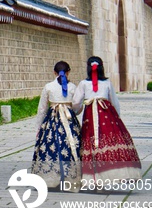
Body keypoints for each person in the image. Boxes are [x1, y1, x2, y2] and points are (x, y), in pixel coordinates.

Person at [73, 56, 142, 185]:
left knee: (92, 141)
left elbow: (76, 102)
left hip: (90, 116)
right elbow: (114, 101)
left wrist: (76, 111)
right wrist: (117, 119)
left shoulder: (83, 84)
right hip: (107, 115)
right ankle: (114, 173)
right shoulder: (107, 83)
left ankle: (93, 178)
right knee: (109, 140)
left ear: (88, 68)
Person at [32, 60, 82, 190]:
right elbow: (77, 107)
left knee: (51, 146)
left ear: (54, 72)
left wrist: (38, 127)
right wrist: (73, 111)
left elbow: (42, 109)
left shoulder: (48, 87)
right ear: (68, 72)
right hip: (69, 120)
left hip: (52, 121)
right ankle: (71, 178)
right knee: (71, 146)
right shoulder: (73, 87)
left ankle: (50, 178)